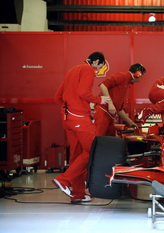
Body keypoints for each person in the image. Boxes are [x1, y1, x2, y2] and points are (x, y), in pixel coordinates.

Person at [53, 52, 111, 203]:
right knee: (92, 149)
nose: (98, 70)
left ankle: (78, 194)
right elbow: (83, 92)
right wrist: (100, 99)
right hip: (80, 118)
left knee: (77, 155)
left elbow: (58, 96)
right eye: (99, 66)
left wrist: (70, 108)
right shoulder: (87, 70)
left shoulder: (72, 70)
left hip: (68, 119)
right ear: (96, 61)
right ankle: (64, 179)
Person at [94, 63, 146, 136]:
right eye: (141, 77)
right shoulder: (122, 76)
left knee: (110, 139)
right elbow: (103, 85)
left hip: (110, 116)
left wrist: (131, 123)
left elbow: (119, 109)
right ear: (137, 74)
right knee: (99, 138)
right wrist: (110, 103)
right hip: (103, 112)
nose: (139, 80)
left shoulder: (126, 83)